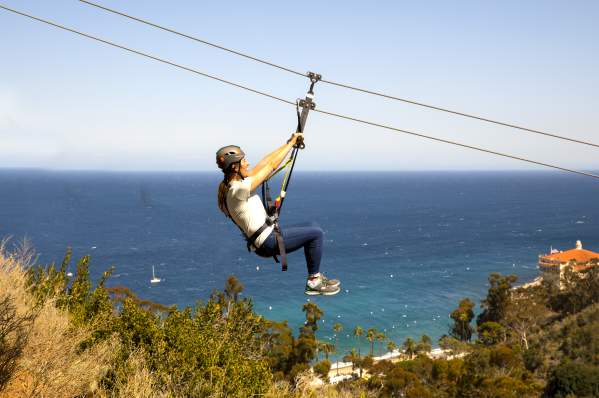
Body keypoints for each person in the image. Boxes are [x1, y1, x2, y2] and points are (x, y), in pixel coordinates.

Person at [216, 132, 340, 295]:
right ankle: (314, 281)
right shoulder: (238, 190)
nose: (248, 163)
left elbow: (266, 162)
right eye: (244, 161)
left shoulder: (236, 184)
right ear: (234, 167)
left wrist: (289, 142)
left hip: (266, 239)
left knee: (312, 226)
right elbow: (270, 167)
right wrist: (290, 145)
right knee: (316, 234)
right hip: (268, 242)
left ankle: (315, 279)